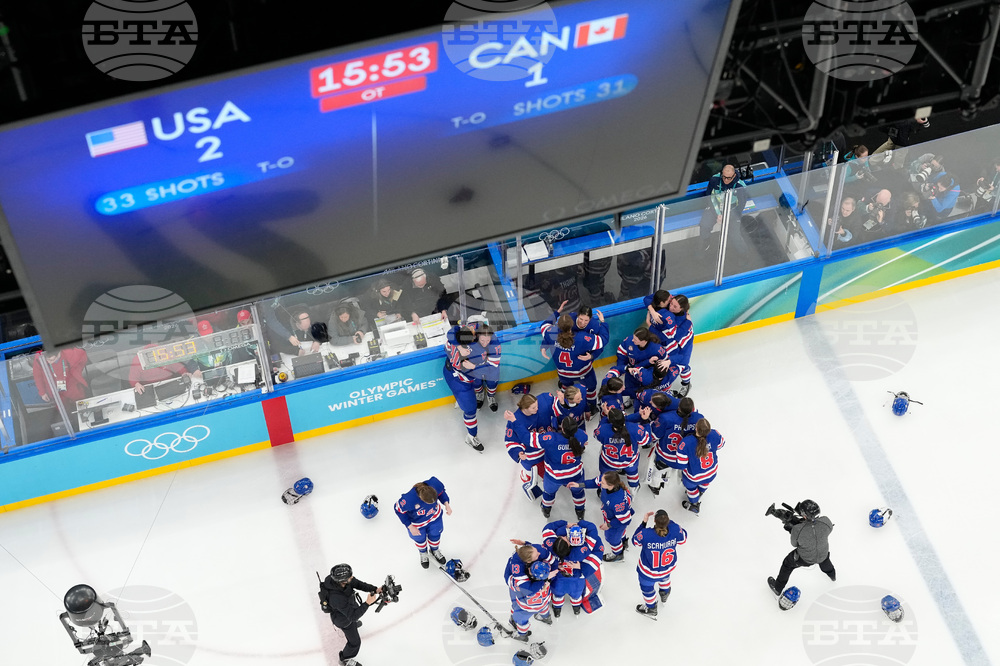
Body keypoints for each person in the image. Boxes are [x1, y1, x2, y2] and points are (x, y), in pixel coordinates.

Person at [540, 305, 608, 416]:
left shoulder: (551, 333)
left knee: (565, 387)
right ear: (572, 325)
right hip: (582, 371)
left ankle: (564, 405)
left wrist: (557, 312)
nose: (582, 323)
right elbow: (603, 340)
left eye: (586, 320)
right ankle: (591, 407)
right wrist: (603, 323)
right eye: (581, 319)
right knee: (591, 388)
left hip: (563, 373)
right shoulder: (581, 338)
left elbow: (544, 325)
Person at [521, 416, 589, 520]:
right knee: (578, 492)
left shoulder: (551, 438)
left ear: (562, 428)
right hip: (575, 475)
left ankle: (546, 509)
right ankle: (580, 512)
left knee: (549, 493)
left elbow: (529, 439)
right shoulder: (582, 435)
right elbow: (583, 442)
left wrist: (515, 423)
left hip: (554, 476)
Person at [318, 563, 386, 666]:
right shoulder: (335, 598)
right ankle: (345, 659)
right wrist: (367, 603)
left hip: (349, 606)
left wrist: (375, 589)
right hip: (344, 620)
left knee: (355, 613)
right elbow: (353, 616)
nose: (352, 577)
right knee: (355, 643)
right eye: (350, 577)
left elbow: (357, 584)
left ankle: (353, 625)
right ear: (343, 581)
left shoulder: (337, 580)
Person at [767, 500, 836, 597]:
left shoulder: (797, 529)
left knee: (787, 564)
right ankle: (832, 576)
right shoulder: (826, 521)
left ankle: (777, 588)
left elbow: (794, 544)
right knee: (825, 561)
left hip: (805, 559)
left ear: (804, 515)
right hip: (823, 554)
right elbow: (827, 529)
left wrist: (792, 530)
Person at [538, 519, 604, 617]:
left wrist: (565, 525)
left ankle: (557, 609)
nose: (564, 536)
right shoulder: (581, 553)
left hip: (558, 578)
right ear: (569, 545)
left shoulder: (551, 545)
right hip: (577, 580)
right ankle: (576, 608)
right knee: (576, 595)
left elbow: (547, 529)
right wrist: (579, 523)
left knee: (557, 595)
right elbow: (596, 546)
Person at [631, 509, 687, 618]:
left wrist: (644, 523)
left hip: (648, 572)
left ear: (654, 521)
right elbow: (683, 539)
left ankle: (651, 608)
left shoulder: (646, 533)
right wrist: (671, 523)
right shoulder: (674, 529)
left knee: (647, 589)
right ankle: (664, 594)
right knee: (664, 579)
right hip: (666, 569)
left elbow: (635, 541)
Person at [570, 471, 633, 563]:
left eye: (603, 482)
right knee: (620, 534)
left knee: (612, 539)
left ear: (610, 485)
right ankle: (622, 541)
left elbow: (625, 520)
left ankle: (618, 554)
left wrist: (609, 525)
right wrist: (579, 485)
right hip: (612, 515)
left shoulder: (618, 502)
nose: (600, 482)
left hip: (617, 523)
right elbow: (595, 482)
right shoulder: (608, 481)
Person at [645, 397, 703, 495]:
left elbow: (653, 436)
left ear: (679, 407)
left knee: (657, 472)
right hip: (684, 460)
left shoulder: (665, 418)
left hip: (665, 457)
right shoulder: (698, 418)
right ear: (692, 409)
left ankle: (655, 486)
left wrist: (648, 423)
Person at [394, 477, 453, 569]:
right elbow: (398, 510)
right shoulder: (409, 499)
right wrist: (410, 526)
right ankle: (423, 552)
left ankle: (434, 550)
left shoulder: (435, 485)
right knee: (419, 539)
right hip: (417, 524)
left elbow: (441, 493)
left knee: (435, 534)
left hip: (435, 518)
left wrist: (446, 504)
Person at [443, 325, 485, 452]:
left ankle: (472, 395)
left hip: (452, 372)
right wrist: (475, 367)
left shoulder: (452, 341)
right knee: (470, 410)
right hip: (461, 381)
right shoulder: (471, 355)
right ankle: (471, 437)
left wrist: (460, 347)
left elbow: (452, 331)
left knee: (477, 384)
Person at [504, 542, 557, 642]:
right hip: (544, 602)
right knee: (544, 608)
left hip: (526, 608)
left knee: (520, 619)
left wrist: (510, 562)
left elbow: (508, 578)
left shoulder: (520, 586)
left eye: (530, 569)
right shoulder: (548, 578)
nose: (528, 567)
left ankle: (522, 636)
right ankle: (546, 618)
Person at [592, 408, 650, 491]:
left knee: (605, 477)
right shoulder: (636, 428)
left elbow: (596, 435)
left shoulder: (603, 430)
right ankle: (634, 488)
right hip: (630, 462)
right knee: (633, 474)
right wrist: (645, 421)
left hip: (609, 462)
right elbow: (646, 440)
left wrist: (605, 418)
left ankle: (605, 489)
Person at [676, 418, 725, 515]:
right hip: (711, 472)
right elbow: (721, 445)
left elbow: (682, 464)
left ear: (696, 428)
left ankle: (694, 504)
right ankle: (701, 491)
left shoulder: (687, 442)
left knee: (691, 489)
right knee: (705, 481)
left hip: (694, 477)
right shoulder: (715, 434)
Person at [700, 164, 748, 254]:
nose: (726, 180)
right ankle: (706, 241)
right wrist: (718, 214)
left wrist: (727, 216)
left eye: (729, 178)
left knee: (735, 236)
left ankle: (744, 254)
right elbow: (709, 197)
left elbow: (741, 205)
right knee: (704, 225)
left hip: (732, 210)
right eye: (724, 177)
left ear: (734, 176)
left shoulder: (740, 186)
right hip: (716, 207)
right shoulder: (714, 180)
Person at [660, 294, 694, 397]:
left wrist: (688, 322)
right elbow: (650, 299)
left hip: (684, 344)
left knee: (682, 364)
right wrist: (652, 311)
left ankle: (686, 384)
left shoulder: (682, 320)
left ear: (682, 309)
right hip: (673, 342)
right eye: (671, 303)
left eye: (675, 307)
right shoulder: (673, 302)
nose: (671, 307)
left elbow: (677, 336)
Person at [467, 323, 501, 412]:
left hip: (490, 367)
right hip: (475, 365)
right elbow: (458, 331)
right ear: (478, 336)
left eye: (488, 340)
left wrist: (474, 366)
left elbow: (492, 366)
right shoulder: (474, 330)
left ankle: (491, 396)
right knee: (476, 382)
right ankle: (480, 394)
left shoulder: (495, 345)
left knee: (492, 383)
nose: (485, 343)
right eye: (482, 340)